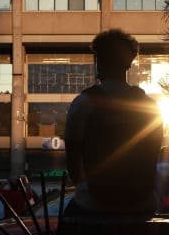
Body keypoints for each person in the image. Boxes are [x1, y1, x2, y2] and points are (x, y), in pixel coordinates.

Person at [63, 29, 162, 215]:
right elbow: (153, 154)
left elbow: (73, 160)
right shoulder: (150, 106)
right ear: (129, 63)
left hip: (94, 204)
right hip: (141, 203)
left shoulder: (84, 103)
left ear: (99, 62)